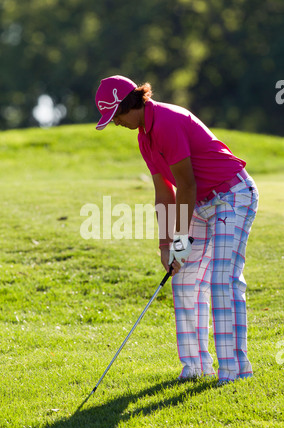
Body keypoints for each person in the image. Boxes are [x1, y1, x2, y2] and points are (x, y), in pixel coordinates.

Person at [95, 75, 259, 385]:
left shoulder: (167, 122)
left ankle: (235, 371)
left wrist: (182, 240)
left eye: (115, 116)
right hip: (199, 203)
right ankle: (196, 367)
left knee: (223, 280)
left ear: (129, 105)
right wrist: (166, 245)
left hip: (232, 195)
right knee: (182, 277)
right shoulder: (144, 137)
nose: (115, 124)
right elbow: (164, 193)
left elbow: (186, 184)